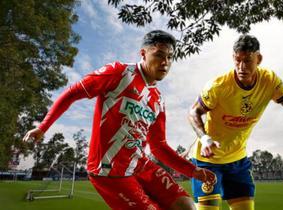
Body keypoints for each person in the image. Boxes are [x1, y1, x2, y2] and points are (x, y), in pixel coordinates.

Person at [23, 30, 216, 210]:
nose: (165, 62)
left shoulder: (158, 100)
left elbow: (158, 146)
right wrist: (43, 127)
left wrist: (193, 171)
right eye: (158, 55)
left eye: (169, 57)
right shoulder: (119, 72)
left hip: (140, 164)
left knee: (186, 205)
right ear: (143, 53)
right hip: (108, 171)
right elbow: (73, 93)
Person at [186, 34, 283, 210]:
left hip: (238, 161)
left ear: (259, 59)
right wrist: (205, 139)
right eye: (237, 60)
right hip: (207, 160)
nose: (241, 67)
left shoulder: (269, 81)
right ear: (233, 58)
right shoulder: (218, 86)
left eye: (247, 61)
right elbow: (193, 112)